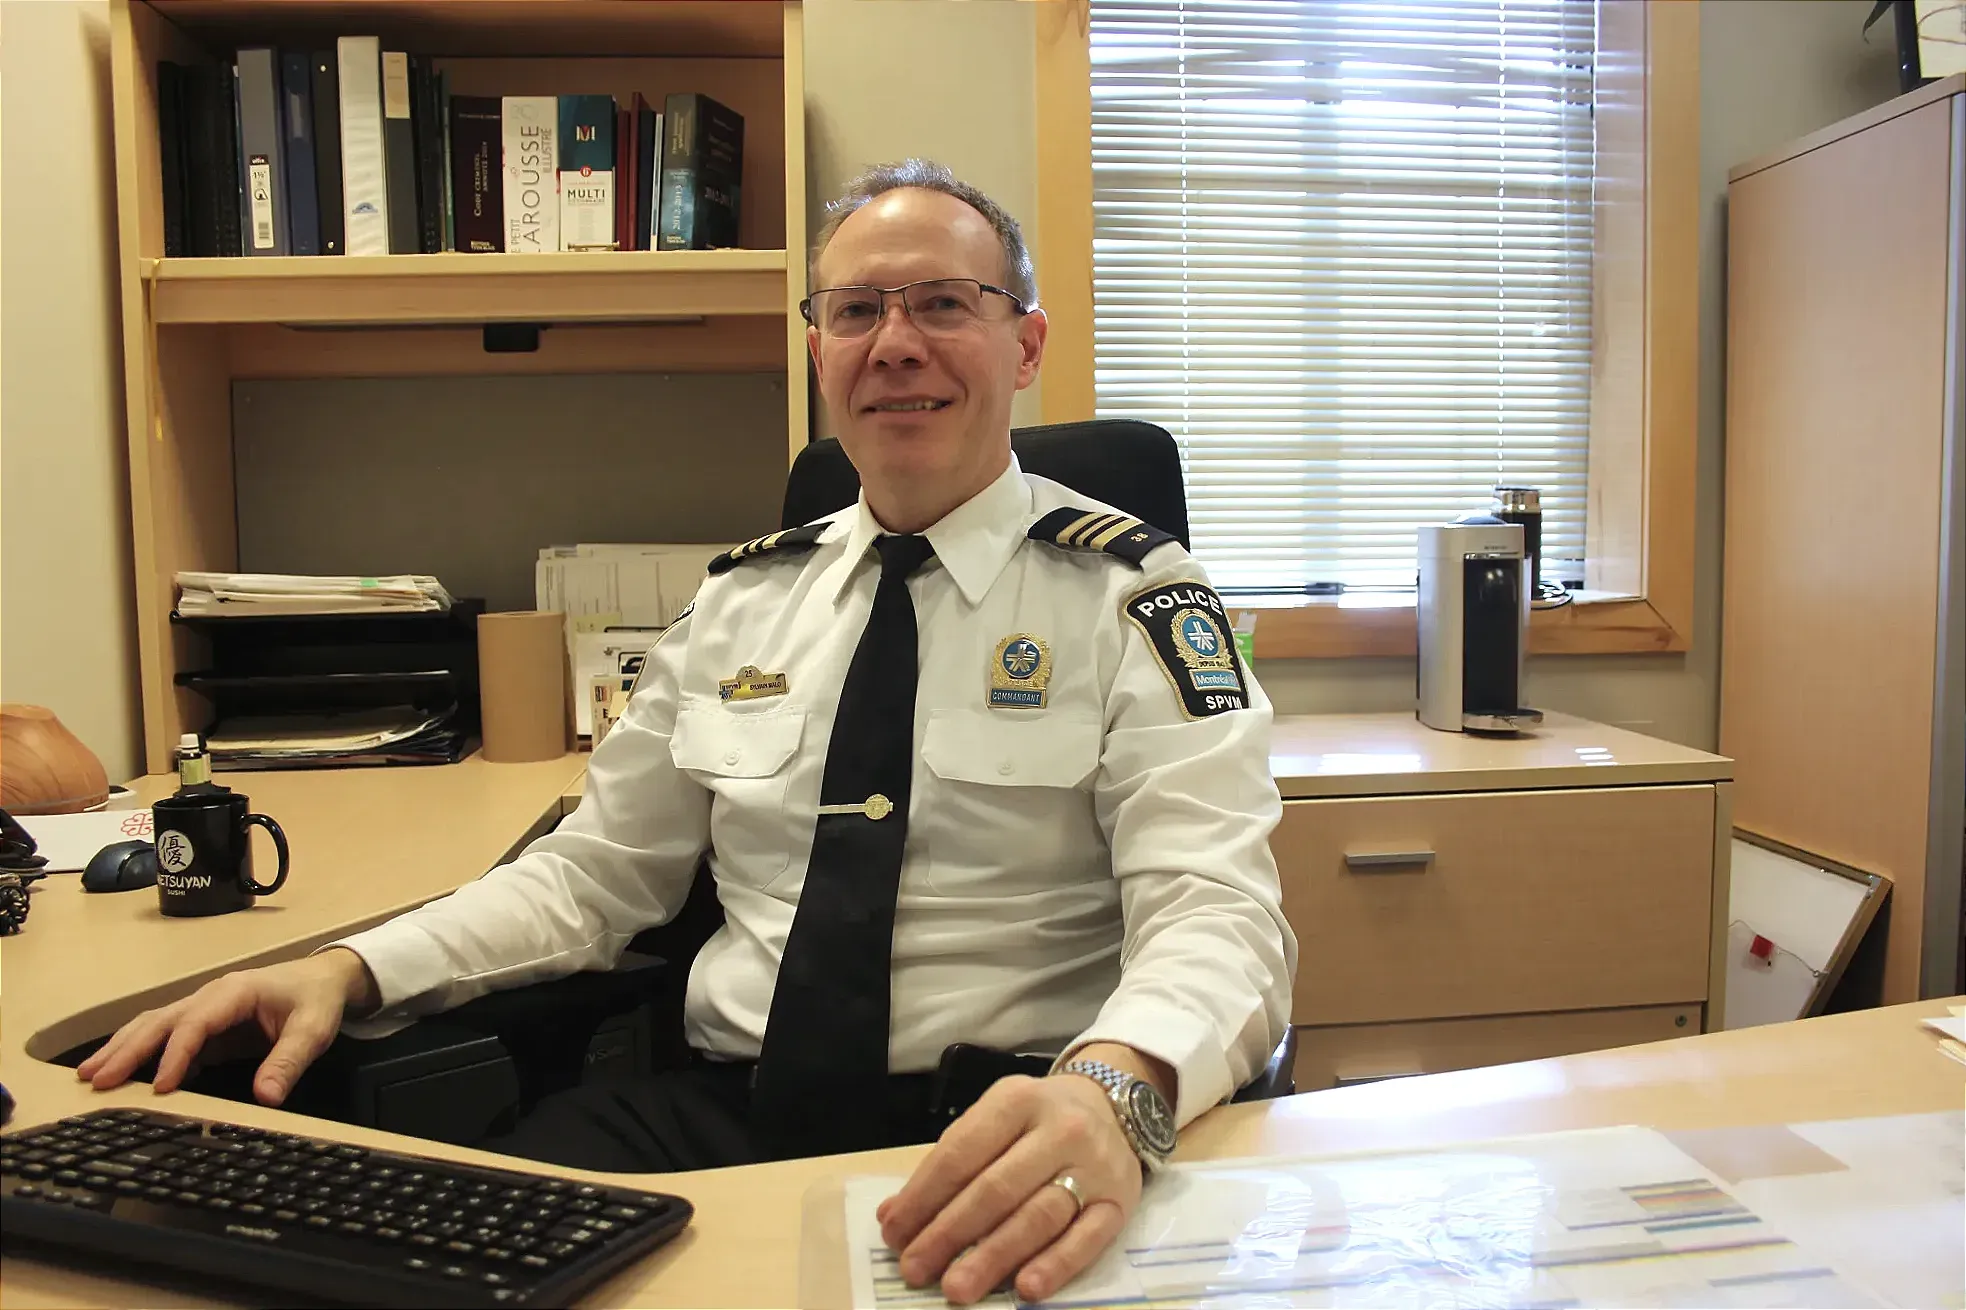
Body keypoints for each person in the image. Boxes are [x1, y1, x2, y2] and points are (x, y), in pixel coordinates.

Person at [77, 159, 1296, 1306]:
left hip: (1010, 1121)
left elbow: (1218, 913)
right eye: (857, 310)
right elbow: (592, 877)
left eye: (943, 303)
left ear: (1024, 343)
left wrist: (1116, 1090)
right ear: (817, 347)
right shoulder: (740, 602)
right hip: (727, 1109)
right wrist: (354, 965)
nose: (897, 344)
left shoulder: (1138, 601)